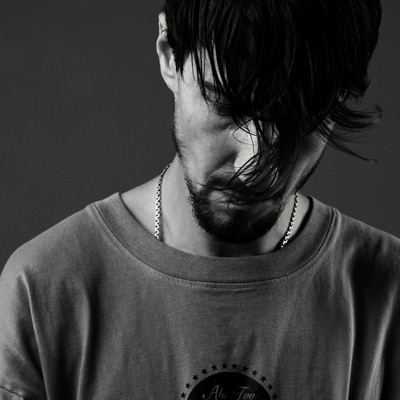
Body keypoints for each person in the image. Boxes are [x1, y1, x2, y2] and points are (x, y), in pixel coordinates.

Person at [0, 0, 398, 399]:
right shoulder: (43, 291)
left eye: (299, 118)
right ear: (170, 55)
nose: (253, 167)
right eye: (226, 104)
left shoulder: (388, 292)